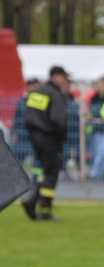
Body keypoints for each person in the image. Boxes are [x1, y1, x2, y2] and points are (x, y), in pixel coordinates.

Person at [21, 65, 70, 221]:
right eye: (64, 77)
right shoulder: (55, 95)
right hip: (50, 138)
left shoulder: (36, 92)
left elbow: (28, 116)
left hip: (35, 138)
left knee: (45, 172)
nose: (65, 81)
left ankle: (33, 201)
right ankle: (43, 208)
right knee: (51, 173)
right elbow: (58, 120)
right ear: (56, 76)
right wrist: (61, 138)